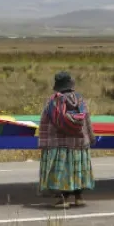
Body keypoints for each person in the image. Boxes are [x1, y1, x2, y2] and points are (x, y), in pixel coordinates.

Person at [37, 71, 97, 208]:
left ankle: (61, 199)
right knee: (76, 169)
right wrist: (90, 138)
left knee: (60, 170)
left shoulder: (53, 102)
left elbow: (44, 123)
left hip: (58, 144)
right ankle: (78, 196)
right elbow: (86, 121)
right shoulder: (80, 100)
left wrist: (44, 142)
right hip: (79, 143)